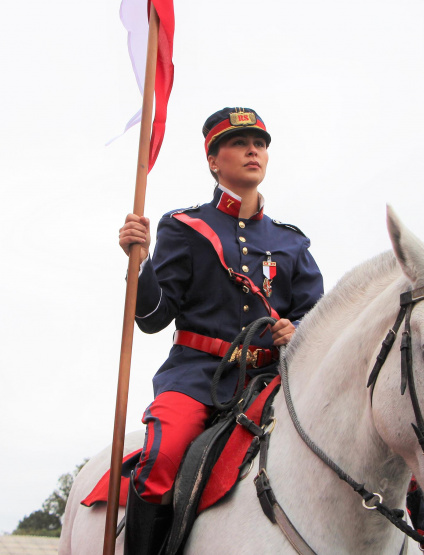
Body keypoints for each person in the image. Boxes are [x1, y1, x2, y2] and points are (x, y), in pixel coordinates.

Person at [117, 107, 324, 553]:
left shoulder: (292, 242)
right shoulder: (186, 228)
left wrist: (299, 330)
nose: (254, 150)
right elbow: (153, 318)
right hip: (197, 376)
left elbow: (317, 316)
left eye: (261, 144)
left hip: (272, 380)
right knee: (160, 458)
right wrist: (140, 262)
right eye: (239, 143)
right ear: (213, 160)